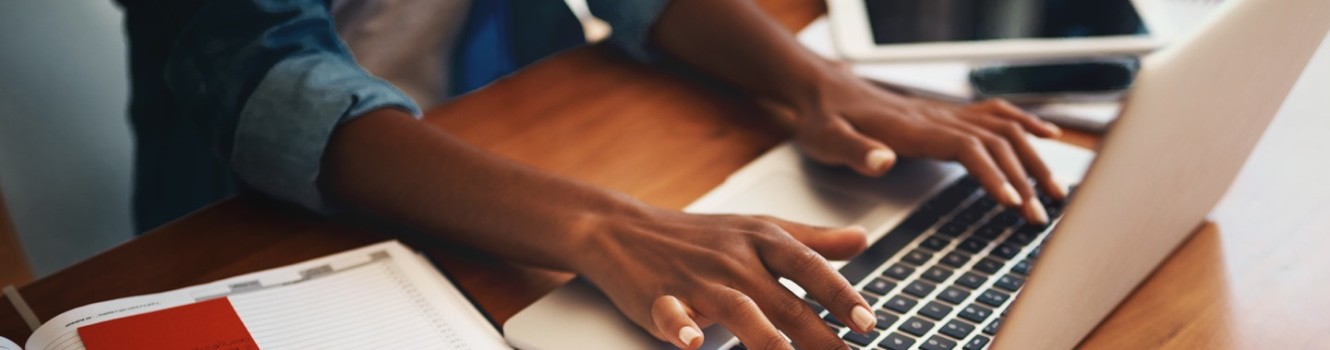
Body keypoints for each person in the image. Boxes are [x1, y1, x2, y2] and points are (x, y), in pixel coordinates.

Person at [115, 0, 1065, 349]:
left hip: (523, 131)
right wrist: (603, 229)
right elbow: (260, 77)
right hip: (281, 218)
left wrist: (818, 85)